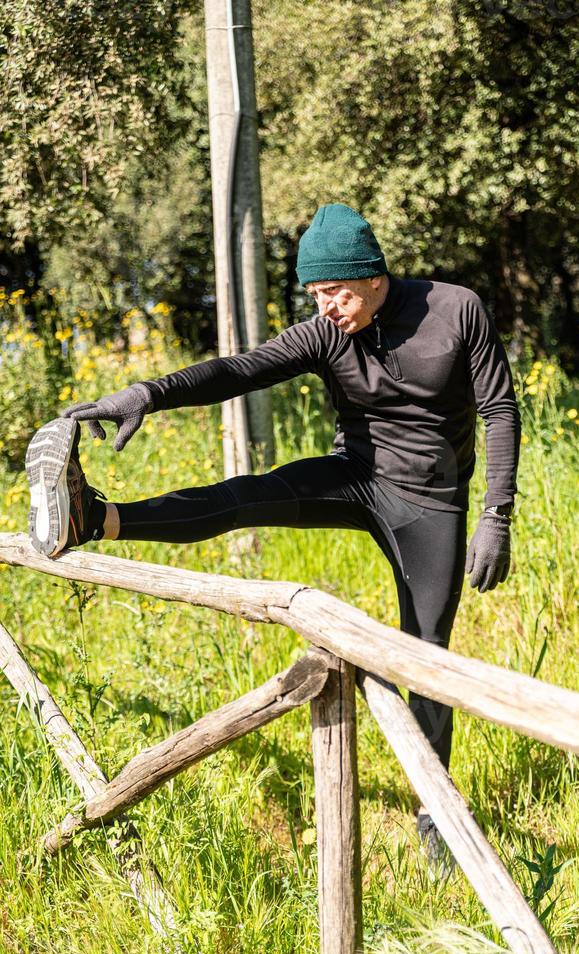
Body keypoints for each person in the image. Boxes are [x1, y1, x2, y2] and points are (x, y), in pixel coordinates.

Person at [25, 203, 520, 868]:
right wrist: (146, 392)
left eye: (337, 292)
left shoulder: (457, 310)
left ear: (375, 276)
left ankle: (435, 810)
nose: (328, 307)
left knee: (424, 656)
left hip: (431, 501)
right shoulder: (326, 332)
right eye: (316, 294)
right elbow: (239, 369)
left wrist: (495, 515)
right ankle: (99, 519)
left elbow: (498, 409)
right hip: (355, 476)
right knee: (247, 495)